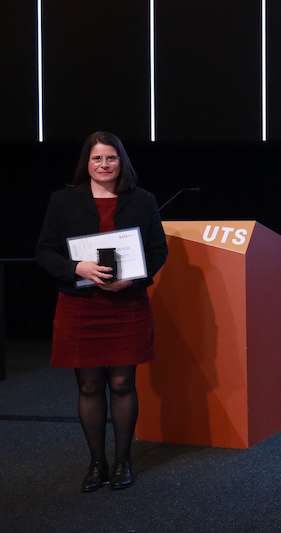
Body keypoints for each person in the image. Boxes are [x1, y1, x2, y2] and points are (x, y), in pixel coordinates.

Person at [34, 131, 169, 492]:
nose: (104, 165)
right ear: (87, 163)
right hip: (81, 307)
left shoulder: (142, 200)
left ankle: (123, 460)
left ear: (121, 162)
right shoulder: (63, 201)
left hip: (127, 305)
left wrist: (133, 280)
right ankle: (97, 463)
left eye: (111, 158)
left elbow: (158, 251)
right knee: (90, 385)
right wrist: (77, 267)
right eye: (97, 159)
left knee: (124, 383)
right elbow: (44, 252)